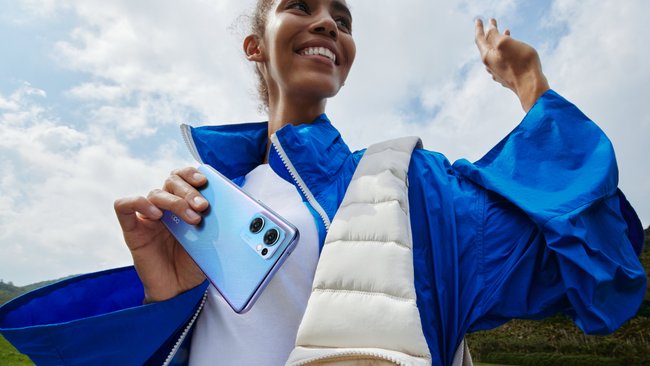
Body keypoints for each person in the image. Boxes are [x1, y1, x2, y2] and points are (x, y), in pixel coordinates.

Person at [0, 0, 646, 365]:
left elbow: (582, 259)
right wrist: (163, 298)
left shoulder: (410, 183)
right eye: (300, 8)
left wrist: (528, 83)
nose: (328, 23)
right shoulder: (208, 198)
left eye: (342, 18)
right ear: (257, 46)